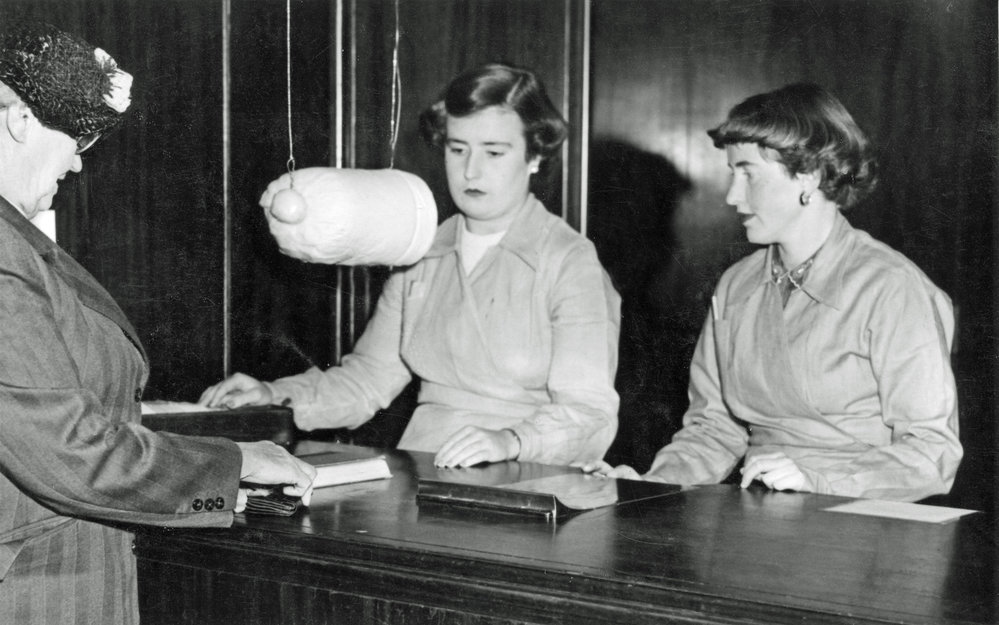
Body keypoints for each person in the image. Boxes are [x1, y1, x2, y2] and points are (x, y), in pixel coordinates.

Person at [0, 21, 317, 624]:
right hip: (35, 592)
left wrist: (220, 479)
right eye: (81, 141)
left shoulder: (18, 242)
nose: (77, 167)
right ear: (21, 121)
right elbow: (73, 456)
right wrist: (236, 464)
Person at [200, 63, 621, 469]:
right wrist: (272, 394)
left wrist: (512, 442)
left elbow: (589, 413)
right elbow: (368, 379)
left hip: (531, 474)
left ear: (535, 157)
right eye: (458, 149)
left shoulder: (569, 260)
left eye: (494, 152)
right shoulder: (422, 249)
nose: (471, 171)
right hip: (425, 465)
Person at [586, 83, 961, 502]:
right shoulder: (737, 285)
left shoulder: (892, 288)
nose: (732, 195)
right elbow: (714, 429)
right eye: (733, 174)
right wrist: (652, 482)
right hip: (761, 518)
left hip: (862, 526)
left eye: (748, 174)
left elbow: (933, 455)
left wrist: (816, 478)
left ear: (810, 175)